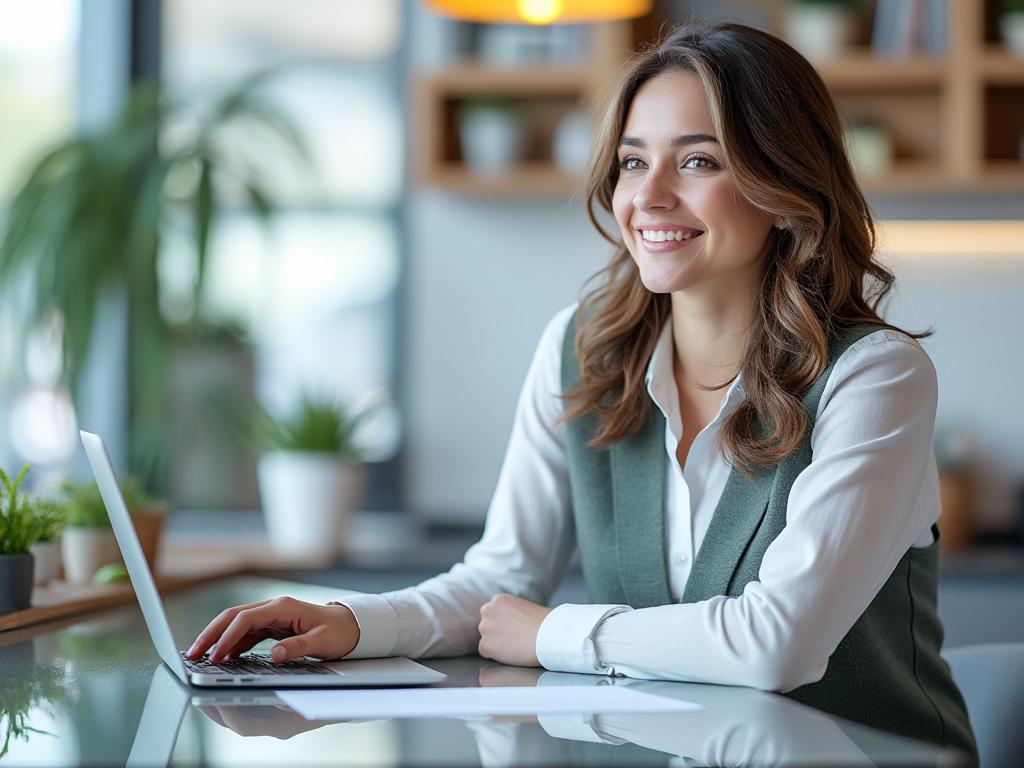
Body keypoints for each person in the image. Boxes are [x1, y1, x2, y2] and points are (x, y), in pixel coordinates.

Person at [187, 21, 976, 760]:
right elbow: (500, 584)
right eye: (634, 161)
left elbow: (777, 644)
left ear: (783, 183)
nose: (649, 196)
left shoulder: (876, 377)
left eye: (698, 161)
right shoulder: (583, 351)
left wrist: (555, 636)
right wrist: (351, 623)